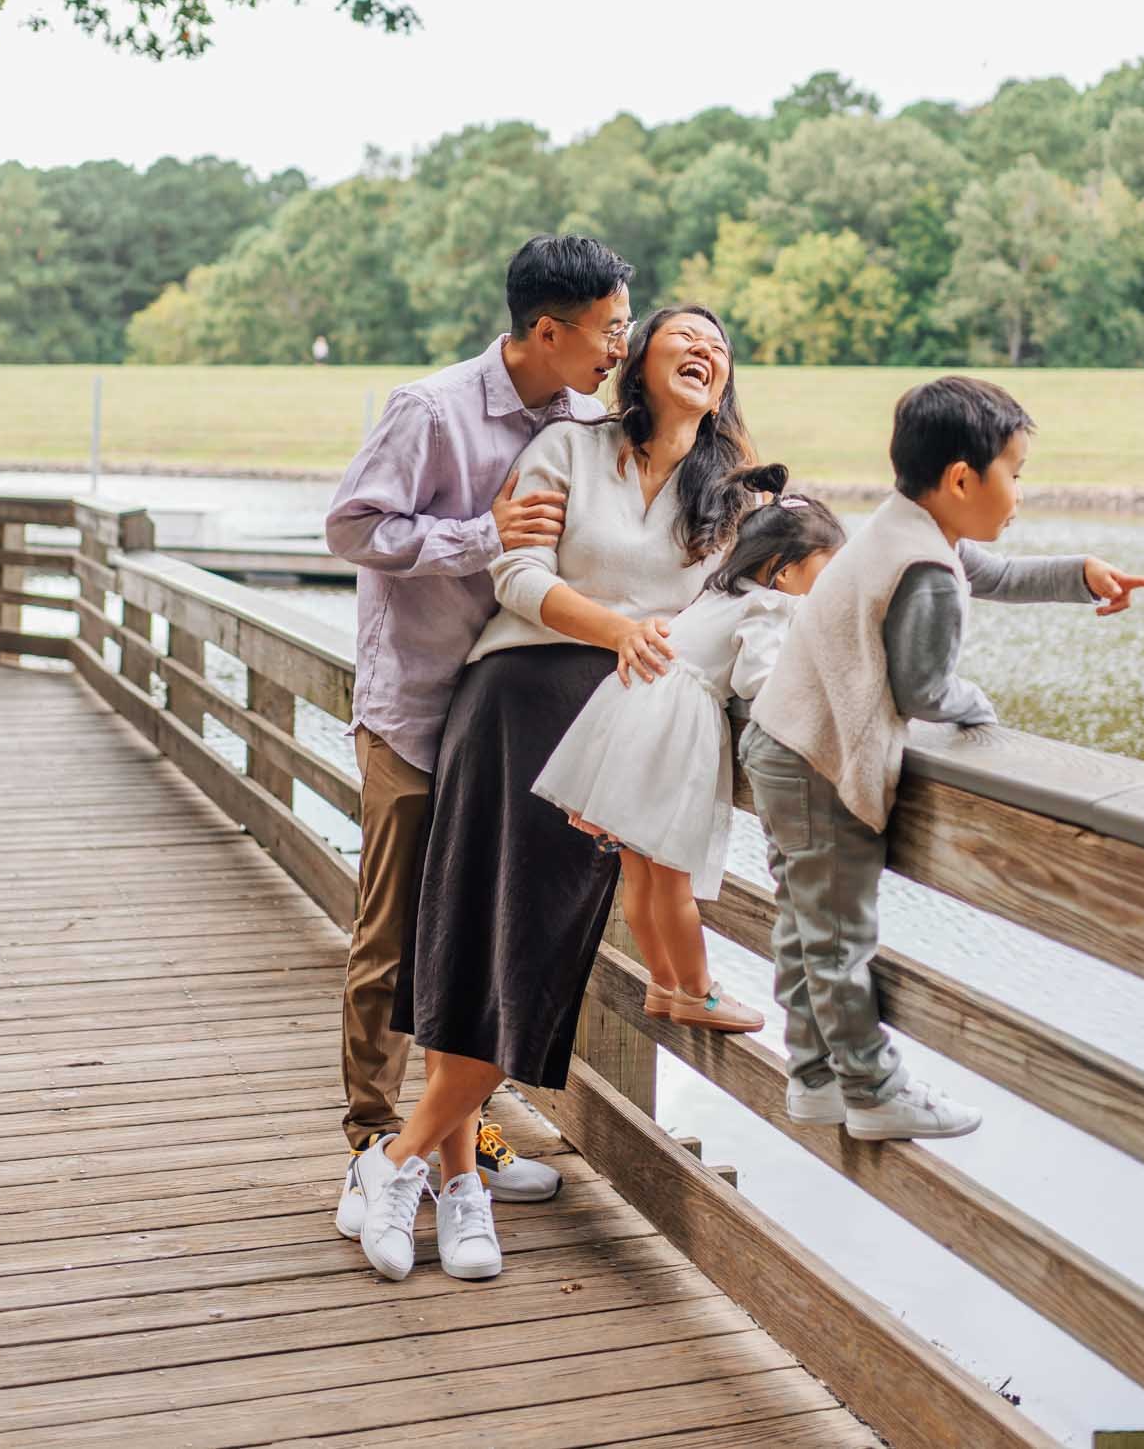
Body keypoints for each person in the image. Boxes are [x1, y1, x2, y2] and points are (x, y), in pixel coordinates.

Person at [351, 305, 763, 1286]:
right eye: (682, 336)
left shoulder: (734, 499)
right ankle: (459, 1189)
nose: (703, 350)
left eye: (719, 342)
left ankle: (400, 1164)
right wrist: (617, 627)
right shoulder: (568, 447)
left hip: (618, 736)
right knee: (477, 941)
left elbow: (752, 619)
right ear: (640, 361)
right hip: (513, 704)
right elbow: (516, 570)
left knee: (536, 960)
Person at [741, 375, 1144, 1143]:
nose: (1021, 493)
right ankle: (872, 1090)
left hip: (782, 742)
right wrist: (978, 710)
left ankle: (814, 1078)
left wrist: (1079, 574)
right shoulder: (925, 566)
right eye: (1016, 474)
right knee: (838, 935)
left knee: (806, 926)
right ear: (964, 478)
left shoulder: (905, 527)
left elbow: (991, 574)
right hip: (817, 762)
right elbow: (925, 687)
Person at [324, 234, 634, 1240]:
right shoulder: (430, 410)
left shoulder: (591, 421)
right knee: (394, 940)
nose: (617, 352)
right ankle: (374, 1148)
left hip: (519, 730)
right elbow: (352, 527)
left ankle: (467, 1143)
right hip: (420, 712)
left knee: (480, 939)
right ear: (547, 330)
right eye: (608, 332)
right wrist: (481, 536)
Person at [533, 488, 848, 1032]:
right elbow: (757, 680)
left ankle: (662, 982)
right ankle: (698, 994)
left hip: (633, 713)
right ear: (785, 572)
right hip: (673, 733)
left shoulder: (719, 592)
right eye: (829, 568)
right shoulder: (770, 606)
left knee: (640, 874)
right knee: (673, 879)